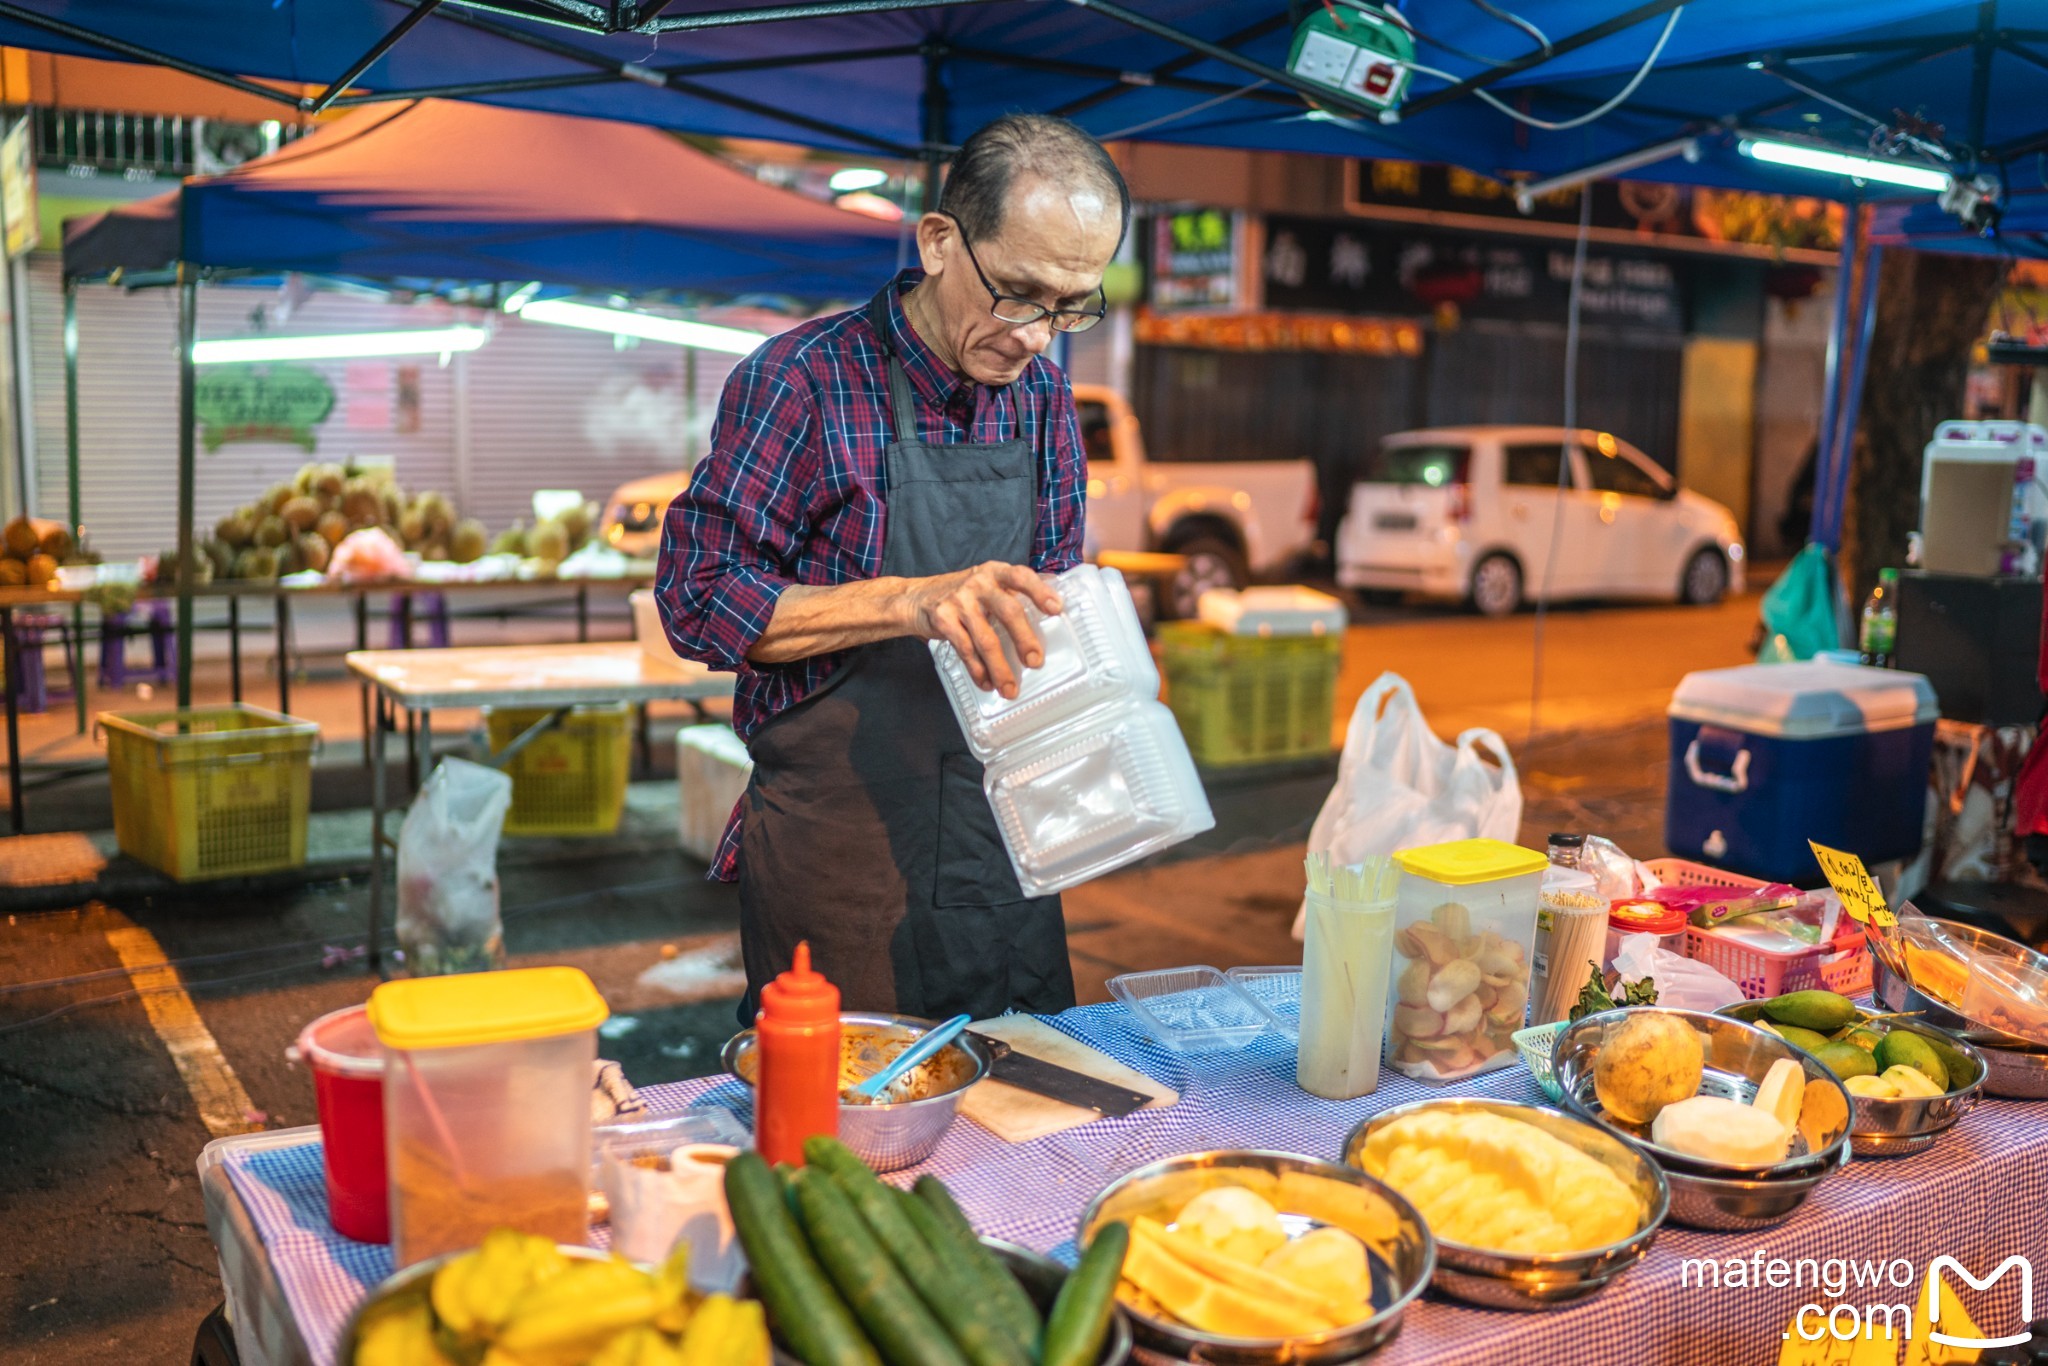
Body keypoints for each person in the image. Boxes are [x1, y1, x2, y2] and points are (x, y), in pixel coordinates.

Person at [657, 114, 1127, 1023]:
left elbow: (1055, 604)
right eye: (1020, 294)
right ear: (941, 242)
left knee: (1022, 1116)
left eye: (1073, 306)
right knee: (846, 1134)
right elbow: (697, 596)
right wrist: (913, 600)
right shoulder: (804, 381)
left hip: (1003, 843)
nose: (1038, 335)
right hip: (841, 854)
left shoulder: (1047, 400)